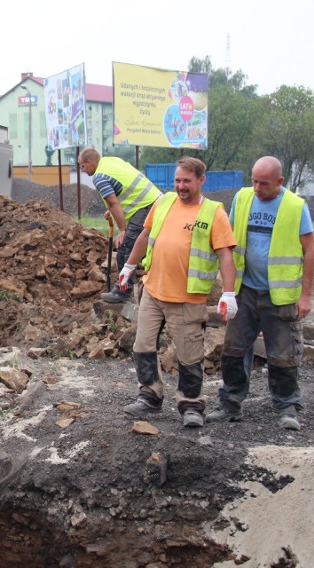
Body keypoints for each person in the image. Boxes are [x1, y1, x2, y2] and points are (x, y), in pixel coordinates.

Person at [119, 157, 238, 428]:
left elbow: (226, 256)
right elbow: (145, 236)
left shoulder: (213, 214)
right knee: (143, 347)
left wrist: (228, 293)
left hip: (186, 299)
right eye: (177, 181)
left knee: (189, 354)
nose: (181, 186)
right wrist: (129, 265)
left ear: (201, 180)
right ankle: (149, 396)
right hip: (153, 291)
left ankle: (191, 404)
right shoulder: (163, 203)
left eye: (187, 181)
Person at [206, 156, 314, 431]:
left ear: (280, 182)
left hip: (279, 295)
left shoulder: (294, 206)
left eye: (263, 183)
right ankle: (230, 404)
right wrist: (228, 290)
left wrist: (306, 296)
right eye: (254, 180)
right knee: (233, 350)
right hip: (245, 291)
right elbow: (228, 243)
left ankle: (287, 407)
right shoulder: (243, 199)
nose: (257, 187)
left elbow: (310, 251)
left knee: (283, 353)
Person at [77, 148, 163, 303]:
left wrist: (122, 229)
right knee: (148, 247)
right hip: (156, 201)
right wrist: (113, 210)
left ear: (89, 162)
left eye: (82, 166)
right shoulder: (112, 161)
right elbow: (123, 189)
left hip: (145, 207)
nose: (82, 170)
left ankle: (123, 292)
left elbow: (112, 201)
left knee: (125, 247)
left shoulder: (99, 177)